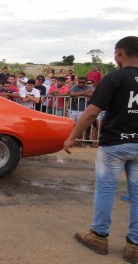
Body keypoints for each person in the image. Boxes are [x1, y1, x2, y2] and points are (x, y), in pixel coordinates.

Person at [63, 36, 138, 263]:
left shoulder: (113, 78)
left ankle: (98, 236)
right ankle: (134, 246)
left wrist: (71, 137)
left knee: (105, 190)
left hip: (114, 145)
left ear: (119, 53)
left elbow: (92, 113)